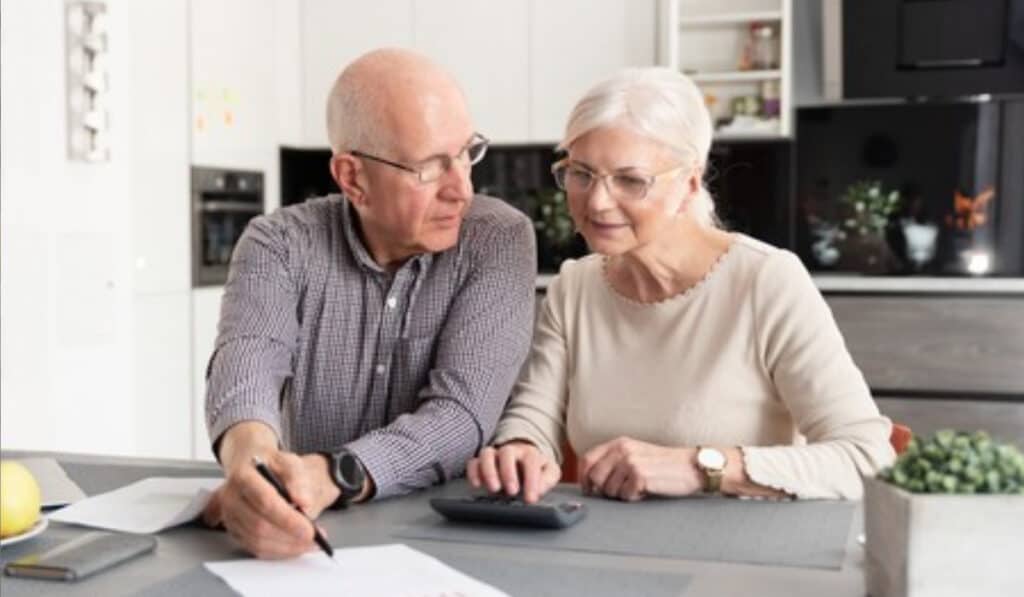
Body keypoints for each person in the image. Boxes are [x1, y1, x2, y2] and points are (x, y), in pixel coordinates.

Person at [467, 67, 895, 504]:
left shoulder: (766, 281)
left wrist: (702, 466)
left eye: (631, 180)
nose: (596, 201)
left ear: (689, 183)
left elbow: (867, 459)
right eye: (581, 174)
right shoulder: (574, 287)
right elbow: (535, 417)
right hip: (612, 553)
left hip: (743, 560)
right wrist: (519, 448)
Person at [202, 49, 537, 558]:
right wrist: (254, 470)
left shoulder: (498, 240)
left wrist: (331, 473)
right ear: (353, 178)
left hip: (458, 542)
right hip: (313, 541)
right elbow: (247, 367)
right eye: (430, 167)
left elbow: (460, 413)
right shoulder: (277, 243)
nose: (462, 189)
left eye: (467, 153)